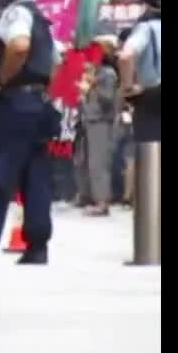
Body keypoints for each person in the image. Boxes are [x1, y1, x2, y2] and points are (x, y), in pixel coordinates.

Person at [0, 0, 60, 265]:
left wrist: (1, 80)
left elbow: (18, 46)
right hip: (38, 103)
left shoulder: (18, 13)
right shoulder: (42, 17)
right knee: (35, 174)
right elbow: (53, 64)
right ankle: (37, 244)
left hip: (13, 102)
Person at [75, 33, 120, 217]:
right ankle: (86, 195)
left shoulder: (107, 74)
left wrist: (93, 85)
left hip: (101, 121)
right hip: (87, 119)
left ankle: (102, 202)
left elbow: (108, 99)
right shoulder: (90, 71)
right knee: (82, 160)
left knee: (98, 162)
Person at [118, 0, 161, 146]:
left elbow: (126, 56)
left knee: (150, 154)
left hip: (152, 97)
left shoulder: (146, 28)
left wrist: (127, 86)